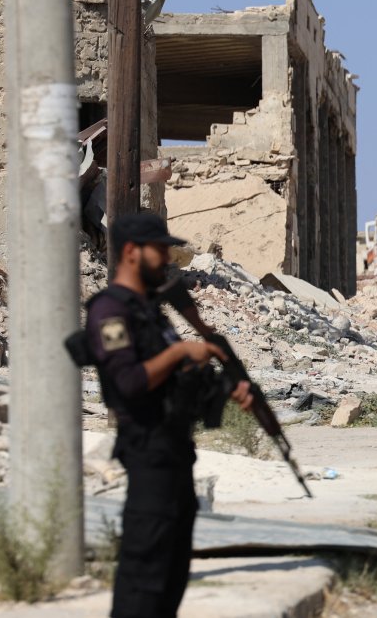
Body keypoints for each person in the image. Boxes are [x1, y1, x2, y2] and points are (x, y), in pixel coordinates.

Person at [86, 213, 252, 617]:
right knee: (145, 572)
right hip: (147, 452)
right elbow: (127, 382)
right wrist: (181, 352)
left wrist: (226, 387)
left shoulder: (150, 311)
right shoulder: (109, 312)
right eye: (158, 249)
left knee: (172, 572)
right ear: (130, 252)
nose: (165, 257)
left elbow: (176, 377)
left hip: (175, 452)